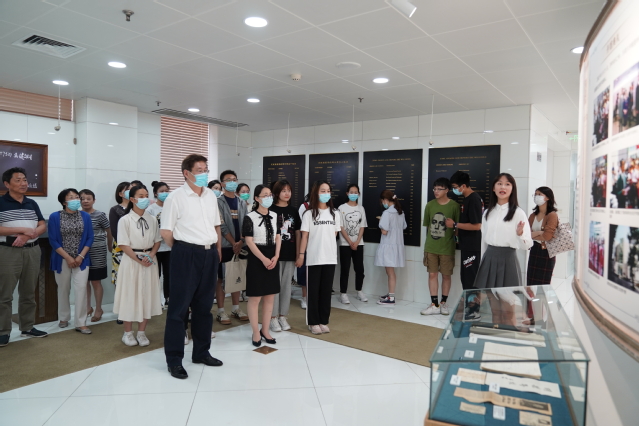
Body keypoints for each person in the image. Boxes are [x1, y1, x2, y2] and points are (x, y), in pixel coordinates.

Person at [161, 154, 223, 380]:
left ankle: (201, 352)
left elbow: (216, 225)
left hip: (209, 253)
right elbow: (166, 232)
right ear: (186, 173)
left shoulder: (210, 196)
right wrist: (183, 249)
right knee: (179, 309)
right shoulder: (175, 197)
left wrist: (217, 249)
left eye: (206, 169)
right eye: (199, 170)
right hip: (186, 253)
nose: (204, 174)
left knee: (204, 307)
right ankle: (174, 360)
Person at [0, 167, 48, 347]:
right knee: (4, 294)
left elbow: (42, 225)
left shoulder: (31, 203)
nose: (23, 183)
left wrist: (27, 236)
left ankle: (27, 327)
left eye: (25, 180)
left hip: (32, 250)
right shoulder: (1, 202)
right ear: (7, 184)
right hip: (8, 251)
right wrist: (22, 230)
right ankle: (3, 331)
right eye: (18, 180)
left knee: (28, 292)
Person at [113, 185, 162, 346]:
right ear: (132, 199)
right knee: (130, 295)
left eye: (146, 195)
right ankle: (127, 333)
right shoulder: (125, 220)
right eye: (141, 196)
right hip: (131, 261)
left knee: (147, 294)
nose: (145, 199)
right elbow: (123, 244)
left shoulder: (152, 219)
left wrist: (151, 255)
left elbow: (157, 241)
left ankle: (141, 332)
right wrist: (139, 259)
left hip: (150, 261)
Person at [48, 188, 94, 334]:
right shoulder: (55, 216)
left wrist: (80, 257)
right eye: (71, 197)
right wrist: (68, 257)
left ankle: (81, 322)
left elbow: (90, 237)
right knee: (63, 289)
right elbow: (53, 240)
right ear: (64, 202)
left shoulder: (85, 216)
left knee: (81, 289)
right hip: (61, 259)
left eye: (77, 197)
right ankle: (63, 317)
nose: (76, 200)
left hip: (82, 259)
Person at [297, 181, 341, 334]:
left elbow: (334, 234)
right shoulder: (309, 214)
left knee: (326, 292)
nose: (326, 194)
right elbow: (304, 237)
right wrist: (301, 255)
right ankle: (313, 322)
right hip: (314, 258)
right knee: (313, 292)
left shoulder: (335, 213)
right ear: (316, 193)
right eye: (323, 191)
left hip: (330, 258)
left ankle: (323, 320)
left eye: (328, 191)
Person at [474, 173, 533, 289]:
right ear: (493, 188)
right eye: (499, 183)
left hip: (508, 260)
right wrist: (482, 262)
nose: (503, 187)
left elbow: (527, 246)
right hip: (488, 258)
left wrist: (520, 234)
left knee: (508, 297)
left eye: (507, 184)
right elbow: (483, 241)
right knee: (488, 295)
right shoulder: (487, 213)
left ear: (512, 189)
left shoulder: (518, 213)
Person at [244, 185, 281, 346]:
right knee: (255, 297)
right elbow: (249, 241)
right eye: (265, 195)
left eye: (270, 194)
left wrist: (276, 256)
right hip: (257, 258)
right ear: (257, 198)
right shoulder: (250, 217)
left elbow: (278, 236)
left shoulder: (275, 215)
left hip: (273, 256)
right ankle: (255, 332)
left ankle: (265, 330)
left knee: (270, 297)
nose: (268, 197)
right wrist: (264, 259)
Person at [421, 178, 460, 316]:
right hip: (431, 247)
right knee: (432, 274)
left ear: (447, 190)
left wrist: (453, 240)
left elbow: (457, 228)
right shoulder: (430, 205)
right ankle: (434, 304)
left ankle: (443, 303)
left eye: (439, 189)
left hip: (447, 247)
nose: (436, 191)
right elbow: (427, 226)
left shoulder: (454, 206)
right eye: (435, 189)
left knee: (446, 275)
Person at [215, 170, 249, 325]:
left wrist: (240, 241)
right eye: (228, 180)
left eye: (234, 179)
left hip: (240, 244)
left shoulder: (241, 201)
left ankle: (236, 308)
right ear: (222, 183)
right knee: (221, 278)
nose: (232, 182)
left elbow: (246, 223)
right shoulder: (218, 202)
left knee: (237, 274)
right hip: (224, 245)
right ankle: (221, 311)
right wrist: (233, 242)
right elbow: (220, 225)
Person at [269, 180, 301, 332]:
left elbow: (298, 233)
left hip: (289, 253)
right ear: (276, 193)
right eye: (283, 191)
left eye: (289, 190)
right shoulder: (270, 209)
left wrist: (298, 254)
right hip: (273, 255)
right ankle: (272, 317)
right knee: (274, 286)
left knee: (286, 286)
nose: (287, 193)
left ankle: (282, 315)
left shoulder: (294, 211)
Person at [80, 189, 111, 322]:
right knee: (84, 281)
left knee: (96, 281)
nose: (85, 201)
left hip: (98, 252)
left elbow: (109, 231)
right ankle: (88, 307)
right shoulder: (77, 215)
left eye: (88, 198)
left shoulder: (100, 215)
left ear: (94, 200)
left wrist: (110, 246)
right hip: (81, 253)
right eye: (82, 199)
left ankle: (98, 309)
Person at [448, 171, 483, 290]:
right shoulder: (467, 198)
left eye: (455, 187)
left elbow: (477, 226)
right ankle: (468, 301)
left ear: (463, 185)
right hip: (466, 245)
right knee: (465, 278)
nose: (454, 190)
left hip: (472, 247)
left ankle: (473, 302)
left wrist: (455, 224)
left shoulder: (474, 199)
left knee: (471, 280)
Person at [375, 190, 407, 305]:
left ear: (385, 200)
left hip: (389, 245)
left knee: (390, 272)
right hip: (396, 245)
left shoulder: (387, 213)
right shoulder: (400, 212)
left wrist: (380, 222)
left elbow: (384, 231)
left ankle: (391, 297)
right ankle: (390, 294)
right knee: (390, 271)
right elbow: (404, 226)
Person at [338, 184, 368, 304]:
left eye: (356, 192)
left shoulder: (361, 208)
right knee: (345, 269)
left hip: (359, 243)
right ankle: (343, 293)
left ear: (358, 194)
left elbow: (362, 226)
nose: (354, 194)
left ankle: (359, 291)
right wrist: (350, 242)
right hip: (345, 244)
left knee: (359, 269)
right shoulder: (341, 208)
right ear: (347, 193)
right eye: (351, 192)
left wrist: (357, 241)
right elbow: (341, 227)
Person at [527, 187, 559, 285]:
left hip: (546, 252)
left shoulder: (552, 215)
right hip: (534, 250)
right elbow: (526, 234)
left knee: (543, 283)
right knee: (531, 282)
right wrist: (539, 233)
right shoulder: (532, 215)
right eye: (535, 194)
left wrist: (533, 235)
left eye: (539, 194)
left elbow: (547, 237)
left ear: (547, 198)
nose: (536, 196)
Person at [147, 181, 171, 309]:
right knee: (155, 275)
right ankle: (155, 301)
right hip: (155, 248)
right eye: (162, 191)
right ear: (155, 193)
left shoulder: (172, 207)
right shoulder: (151, 209)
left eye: (167, 191)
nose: (165, 193)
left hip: (169, 247)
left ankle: (168, 298)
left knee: (169, 275)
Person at [109, 182, 131, 287]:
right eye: (127, 190)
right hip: (120, 247)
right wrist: (127, 245)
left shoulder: (138, 208)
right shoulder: (115, 210)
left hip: (138, 247)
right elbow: (114, 231)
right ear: (120, 194)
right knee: (121, 277)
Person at [296, 192, 311, 309]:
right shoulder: (305, 206)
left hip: (318, 245)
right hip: (306, 243)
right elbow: (303, 227)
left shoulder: (325, 208)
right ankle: (304, 297)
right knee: (304, 271)